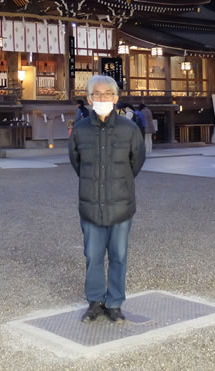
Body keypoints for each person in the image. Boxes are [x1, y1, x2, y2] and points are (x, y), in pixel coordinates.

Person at [68, 75, 145, 323]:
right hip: (91, 203)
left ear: (116, 97)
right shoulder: (80, 130)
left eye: (107, 94)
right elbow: (77, 162)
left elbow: (137, 161)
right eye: (97, 94)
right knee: (92, 255)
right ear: (89, 98)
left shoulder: (129, 129)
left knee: (119, 255)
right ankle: (95, 301)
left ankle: (114, 302)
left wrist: (119, 182)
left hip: (121, 204)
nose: (102, 98)